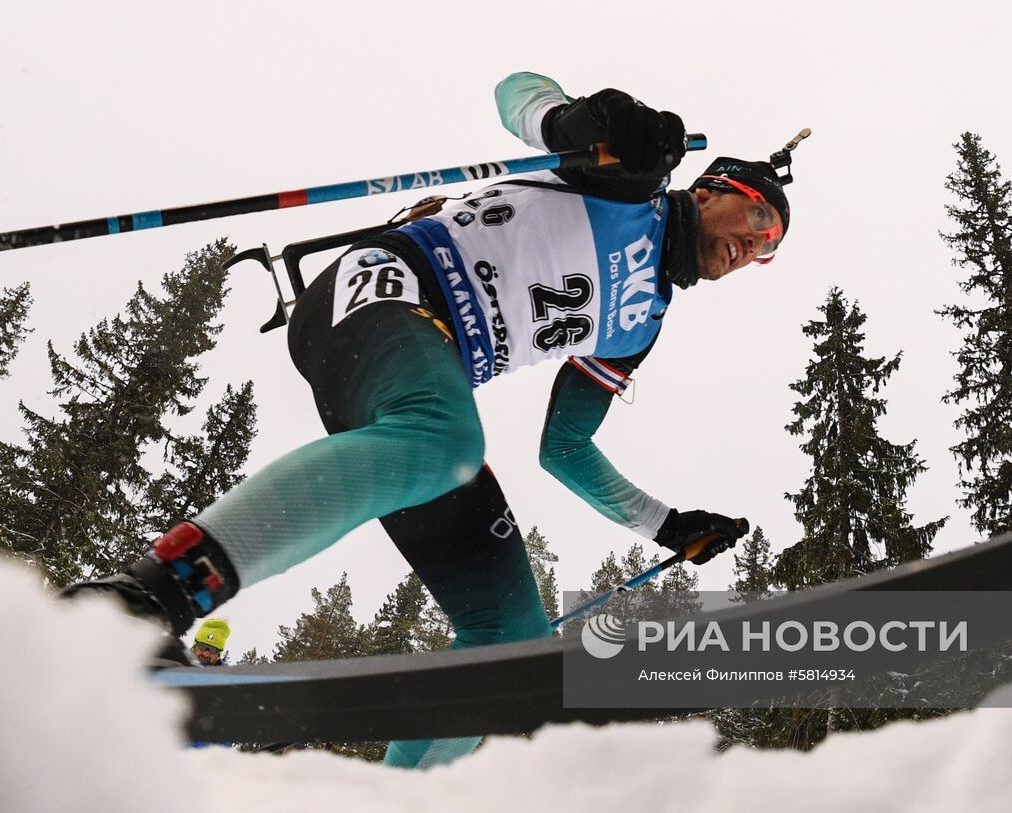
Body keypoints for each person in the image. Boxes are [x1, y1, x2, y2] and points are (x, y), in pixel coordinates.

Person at [65, 71, 796, 769]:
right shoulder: (628, 180)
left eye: (772, 252)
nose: (757, 246)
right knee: (447, 438)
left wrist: (668, 525)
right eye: (760, 216)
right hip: (386, 288)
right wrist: (574, 121)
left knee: (512, 650)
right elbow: (516, 92)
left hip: (426, 384)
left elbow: (565, 447)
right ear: (712, 187)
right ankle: (142, 599)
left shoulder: (640, 326)